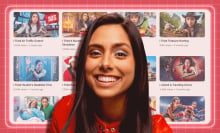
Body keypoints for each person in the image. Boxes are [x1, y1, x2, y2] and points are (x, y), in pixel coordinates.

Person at [50, 13, 172, 133]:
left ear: (138, 64)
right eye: (95, 53)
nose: (105, 63)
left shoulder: (158, 128)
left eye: (120, 54)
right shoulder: (65, 110)